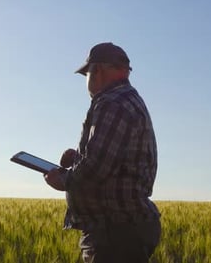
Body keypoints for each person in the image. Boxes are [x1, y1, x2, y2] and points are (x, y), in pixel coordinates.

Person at [44, 42, 161, 263]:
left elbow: (97, 169)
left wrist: (63, 180)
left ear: (97, 70)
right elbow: (114, 161)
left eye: (87, 73)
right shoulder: (128, 100)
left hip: (115, 233)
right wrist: (78, 158)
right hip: (123, 230)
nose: (87, 80)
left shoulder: (112, 102)